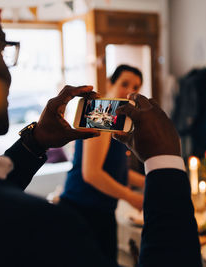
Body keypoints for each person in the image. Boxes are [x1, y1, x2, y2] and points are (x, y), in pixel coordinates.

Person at [0, 1, 202, 266]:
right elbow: (92, 174)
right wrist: (164, 162)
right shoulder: (41, 230)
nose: (7, 72)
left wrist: (35, 141)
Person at [60, 65, 146, 264]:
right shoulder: (102, 112)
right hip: (82, 210)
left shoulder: (116, 117)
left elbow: (115, 169)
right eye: (124, 84)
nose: (130, 91)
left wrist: (149, 182)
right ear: (110, 82)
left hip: (100, 210)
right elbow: (91, 173)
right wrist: (133, 198)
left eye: (136, 87)